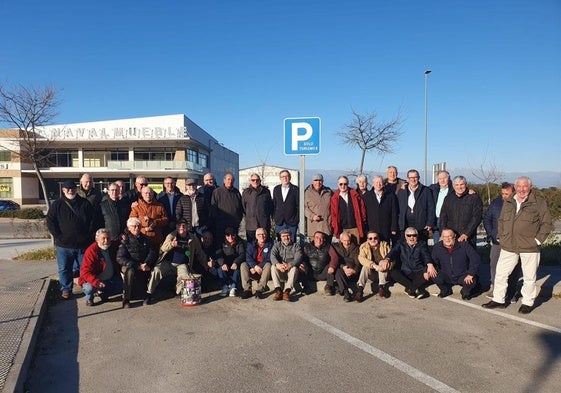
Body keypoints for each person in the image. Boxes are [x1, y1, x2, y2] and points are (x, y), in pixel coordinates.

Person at [483, 176, 552, 314]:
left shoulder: (538, 203)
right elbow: (502, 221)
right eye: (519, 186)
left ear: (530, 187)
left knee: (529, 276)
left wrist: (537, 241)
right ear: (515, 187)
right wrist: (501, 237)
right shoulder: (509, 201)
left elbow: (546, 224)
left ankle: (527, 302)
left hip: (529, 247)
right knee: (501, 274)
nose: (521, 189)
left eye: (525, 186)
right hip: (508, 245)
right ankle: (499, 300)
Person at [46, 180, 95, 299]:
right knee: (64, 268)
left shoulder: (84, 203)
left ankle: (86, 288)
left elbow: (92, 220)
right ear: (63, 190)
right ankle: (66, 289)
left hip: (82, 244)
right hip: (64, 245)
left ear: (76, 189)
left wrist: (87, 235)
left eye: (72, 188)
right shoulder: (57, 204)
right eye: (67, 189)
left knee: (84, 268)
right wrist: (58, 236)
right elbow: (50, 221)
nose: (70, 190)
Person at [145, 218, 207, 304]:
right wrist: (171, 244)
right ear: (177, 227)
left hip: (182, 264)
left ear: (188, 227)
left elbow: (200, 253)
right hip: (168, 263)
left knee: (185, 275)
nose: (182, 227)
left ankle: (178, 292)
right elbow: (163, 248)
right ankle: (149, 294)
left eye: (184, 225)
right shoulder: (171, 236)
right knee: (156, 270)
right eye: (180, 225)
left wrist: (206, 263)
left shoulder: (193, 238)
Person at [482, 182, 521, 299]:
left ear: (513, 192)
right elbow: (487, 219)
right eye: (502, 193)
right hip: (497, 242)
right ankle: (495, 288)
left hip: (513, 243)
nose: (504, 196)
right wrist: (492, 234)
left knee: (513, 268)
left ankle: (511, 291)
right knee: (494, 265)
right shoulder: (496, 203)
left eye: (507, 194)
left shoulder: (518, 204)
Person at [382, 227, 436, 299]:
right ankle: (416, 289)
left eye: (414, 235)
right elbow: (393, 252)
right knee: (393, 273)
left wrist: (430, 265)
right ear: (405, 236)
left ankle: (409, 288)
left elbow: (426, 256)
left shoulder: (422, 244)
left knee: (429, 273)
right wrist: (387, 259)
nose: (411, 237)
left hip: (418, 271)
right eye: (409, 235)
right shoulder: (401, 243)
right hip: (405, 271)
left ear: (417, 236)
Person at [117, 217, 157, 308]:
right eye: (134, 226)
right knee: (129, 271)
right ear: (129, 228)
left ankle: (148, 294)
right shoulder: (124, 240)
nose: (137, 228)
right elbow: (120, 258)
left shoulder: (146, 238)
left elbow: (152, 252)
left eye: (139, 226)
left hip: (144, 264)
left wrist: (147, 263)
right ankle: (126, 299)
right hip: (130, 265)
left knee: (155, 269)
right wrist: (137, 265)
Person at [431, 229, 481, 300]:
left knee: (472, 280)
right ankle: (445, 290)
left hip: (462, 275)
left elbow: (475, 259)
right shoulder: (437, 247)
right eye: (444, 237)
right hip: (446, 275)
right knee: (433, 274)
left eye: (449, 236)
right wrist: (430, 267)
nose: (447, 239)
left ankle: (465, 292)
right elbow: (433, 261)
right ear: (441, 237)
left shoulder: (464, 245)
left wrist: (471, 273)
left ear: (454, 236)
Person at [78, 228, 123, 306]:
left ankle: (103, 294)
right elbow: (85, 271)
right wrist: (96, 282)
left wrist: (123, 236)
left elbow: (117, 241)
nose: (106, 241)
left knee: (122, 286)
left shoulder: (111, 246)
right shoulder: (91, 251)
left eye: (108, 238)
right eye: (103, 238)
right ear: (97, 239)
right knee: (89, 288)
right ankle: (89, 298)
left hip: (108, 279)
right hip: (93, 280)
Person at [439, 175, 482, 248]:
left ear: (465, 184)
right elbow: (443, 217)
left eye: (462, 184)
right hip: (451, 236)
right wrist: (443, 233)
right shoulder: (448, 198)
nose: (459, 187)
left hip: (468, 237)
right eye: (457, 185)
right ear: (453, 186)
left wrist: (466, 233)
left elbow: (476, 217)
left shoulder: (474, 198)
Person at [397, 169, 436, 242]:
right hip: (405, 224)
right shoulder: (402, 191)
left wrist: (430, 222)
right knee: (405, 248)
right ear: (408, 179)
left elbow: (431, 208)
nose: (413, 179)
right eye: (411, 178)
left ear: (419, 178)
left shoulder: (426, 191)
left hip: (422, 225)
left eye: (415, 177)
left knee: (421, 246)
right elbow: (398, 209)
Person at [356, 231, 392, 301]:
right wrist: (374, 265)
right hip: (372, 273)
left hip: (383, 273)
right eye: (370, 238)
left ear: (378, 239)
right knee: (366, 266)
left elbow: (392, 258)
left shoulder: (385, 245)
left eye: (375, 238)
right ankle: (360, 291)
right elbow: (361, 258)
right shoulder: (364, 246)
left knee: (382, 262)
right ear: (367, 240)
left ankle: (381, 287)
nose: (373, 240)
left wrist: (387, 265)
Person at [210, 172, 244, 248]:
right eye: (228, 179)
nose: (230, 181)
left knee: (234, 244)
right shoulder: (217, 192)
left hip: (234, 225)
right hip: (221, 225)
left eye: (232, 180)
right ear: (224, 180)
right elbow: (213, 208)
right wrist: (218, 221)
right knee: (221, 245)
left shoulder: (236, 192)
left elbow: (240, 207)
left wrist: (238, 219)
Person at [330, 175, 367, 242]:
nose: (343, 186)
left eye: (345, 184)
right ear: (338, 185)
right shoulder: (334, 198)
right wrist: (335, 227)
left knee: (356, 248)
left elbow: (362, 210)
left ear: (348, 184)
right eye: (341, 184)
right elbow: (333, 214)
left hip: (355, 228)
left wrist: (362, 221)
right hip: (342, 229)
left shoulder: (355, 195)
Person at [363, 175, 398, 244]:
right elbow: (364, 213)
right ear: (373, 184)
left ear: (383, 184)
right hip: (372, 228)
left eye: (380, 182)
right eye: (376, 182)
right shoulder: (367, 196)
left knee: (385, 247)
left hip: (386, 228)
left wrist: (394, 228)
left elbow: (394, 212)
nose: (378, 184)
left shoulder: (390, 195)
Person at [270, 228, 302, 302]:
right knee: (273, 267)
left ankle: (287, 291)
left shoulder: (296, 246)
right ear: (281, 237)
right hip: (281, 270)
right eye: (283, 236)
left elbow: (298, 257)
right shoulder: (277, 245)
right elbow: (272, 256)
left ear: (291, 236)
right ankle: (278, 291)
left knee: (294, 268)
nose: (286, 238)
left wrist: (290, 265)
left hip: (290, 271)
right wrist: (278, 265)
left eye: (288, 235)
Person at [240, 228, 273, 299]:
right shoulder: (251, 244)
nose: (261, 236)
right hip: (253, 268)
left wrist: (258, 266)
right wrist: (254, 266)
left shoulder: (270, 245)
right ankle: (247, 290)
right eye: (259, 234)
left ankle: (259, 290)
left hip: (263, 269)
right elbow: (248, 257)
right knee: (243, 265)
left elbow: (269, 259)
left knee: (268, 265)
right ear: (256, 236)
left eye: (263, 234)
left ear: (266, 235)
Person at [300, 231, 335, 296]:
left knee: (332, 265)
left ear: (324, 239)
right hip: (310, 273)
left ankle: (328, 287)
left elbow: (334, 257)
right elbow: (302, 257)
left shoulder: (328, 246)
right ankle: (306, 287)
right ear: (313, 238)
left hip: (323, 273)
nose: (319, 240)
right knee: (303, 265)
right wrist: (301, 264)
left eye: (321, 238)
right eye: (317, 237)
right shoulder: (307, 247)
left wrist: (332, 266)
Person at [330, 231, 361, 302]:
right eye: (344, 241)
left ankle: (341, 289)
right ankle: (346, 292)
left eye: (348, 240)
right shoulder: (336, 247)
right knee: (338, 271)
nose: (347, 243)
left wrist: (354, 270)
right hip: (342, 270)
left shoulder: (356, 248)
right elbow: (336, 260)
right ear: (340, 240)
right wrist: (343, 267)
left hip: (353, 271)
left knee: (339, 275)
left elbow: (358, 262)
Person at [241, 173, 273, 242]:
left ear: (260, 181)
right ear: (250, 181)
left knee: (265, 244)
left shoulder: (266, 192)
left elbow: (270, 206)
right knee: (252, 245)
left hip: (264, 224)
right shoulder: (246, 192)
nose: (255, 181)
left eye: (257, 180)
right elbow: (243, 207)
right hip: (251, 225)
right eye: (253, 180)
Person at [216, 227, 246, 297]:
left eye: (232, 235)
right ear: (225, 236)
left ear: (235, 235)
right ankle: (225, 287)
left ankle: (233, 287)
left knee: (237, 270)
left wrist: (236, 262)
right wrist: (223, 263)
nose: (230, 237)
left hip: (235, 265)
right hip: (226, 264)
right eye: (228, 235)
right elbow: (218, 254)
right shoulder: (221, 243)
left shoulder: (239, 242)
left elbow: (242, 254)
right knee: (220, 270)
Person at [272, 169, 299, 242]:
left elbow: (298, 206)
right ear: (280, 178)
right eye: (282, 176)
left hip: (292, 222)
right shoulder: (276, 189)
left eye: (286, 176)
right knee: (280, 242)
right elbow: (274, 204)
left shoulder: (296, 189)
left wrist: (296, 219)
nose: (285, 178)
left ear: (290, 177)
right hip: (280, 222)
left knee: (292, 241)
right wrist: (274, 217)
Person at [304, 174, 333, 241]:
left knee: (327, 249)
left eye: (320, 180)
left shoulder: (328, 192)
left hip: (326, 227)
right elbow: (303, 208)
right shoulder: (307, 192)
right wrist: (312, 216)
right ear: (312, 181)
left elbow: (334, 206)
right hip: (313, 228)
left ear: (323, 181)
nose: (318, 182)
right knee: (314, 249)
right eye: (316, 180)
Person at [429, 170, 453, 243]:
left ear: (449, 178)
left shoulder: (453, 189)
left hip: (448, 221)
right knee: (438, 244)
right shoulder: (432, 188)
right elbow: (418, 188)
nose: (442, 180)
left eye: (444, 178)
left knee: (448, 243)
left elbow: (463, 188)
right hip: (436, 221)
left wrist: (469, 190)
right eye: (440, 178)